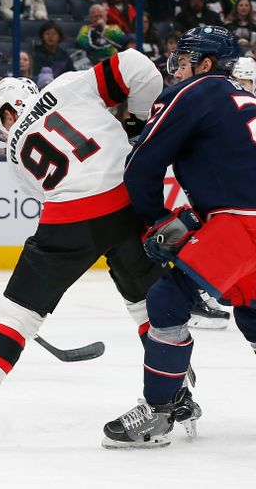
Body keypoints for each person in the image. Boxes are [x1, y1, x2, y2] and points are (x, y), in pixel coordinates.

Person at [0, 49, 173, 444]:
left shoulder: (14, 152)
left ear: (8, 114)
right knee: (147, 305)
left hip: (67, 220)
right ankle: (176, 393)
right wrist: (136, 122)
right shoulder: (66, 86)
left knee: (17, 313)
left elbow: (49, 192)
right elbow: (138, 65)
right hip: (123, 202)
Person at [102, 26, 256, 449]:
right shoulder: (244, 96)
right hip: (243, 217)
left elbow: (141, 164)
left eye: (184, 60)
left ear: (205, 65)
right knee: (253, 313)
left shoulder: (196, 91)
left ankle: (158, 411)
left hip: (241, 222)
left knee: (167, 299)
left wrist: (153, 220)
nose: (176, 70)